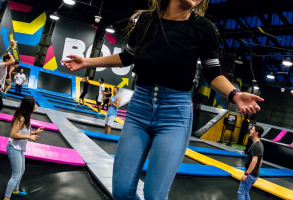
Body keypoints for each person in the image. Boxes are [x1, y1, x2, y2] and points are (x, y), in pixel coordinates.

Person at [61, 0, 263, 198]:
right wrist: (86, 61)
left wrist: (235, 94)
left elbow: (213, 73)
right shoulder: (146, 20)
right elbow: (126, 57)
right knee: (122, 191)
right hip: (139, 109)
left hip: (174, 115)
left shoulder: (203, 28)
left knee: (154, 194)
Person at [3, 96, 43, 200]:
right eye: (35, 104)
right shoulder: (21, 118)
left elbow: (22, 132)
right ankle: (6, 198)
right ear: (30, 106)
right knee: (16, 175)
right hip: (13, 147)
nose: (36, 106)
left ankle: (15, 191)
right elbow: (13, 134)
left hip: (19, 148)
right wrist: (29, 137)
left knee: (22, 170)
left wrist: (34, 132)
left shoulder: (26, 116)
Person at [238, 125, 264, 200]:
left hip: (250, 175)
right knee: (246, 192)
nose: (250, 130)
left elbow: (254, 161)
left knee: (241, 193)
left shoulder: (255, 145)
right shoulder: (261, 144)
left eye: (252, 129)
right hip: (255, 174)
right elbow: (261, 159)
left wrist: (246, 174)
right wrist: (256, 171)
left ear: (256, 133)